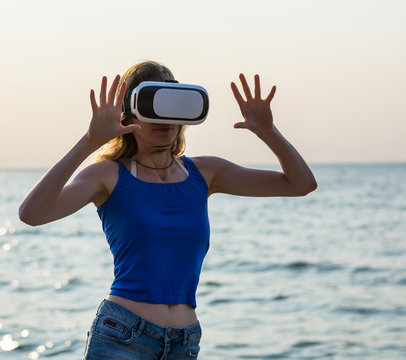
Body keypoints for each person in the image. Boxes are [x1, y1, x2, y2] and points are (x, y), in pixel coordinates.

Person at [18, 60, 317, 359]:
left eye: (173, 105)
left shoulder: (205, 172)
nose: (164, 118)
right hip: (122, 335)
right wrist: (89, 141)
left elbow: (301, 184)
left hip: (184, 343)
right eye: (152, 106)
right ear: (129, 114)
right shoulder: (108, 175)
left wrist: (268, 131)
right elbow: (32, 214)